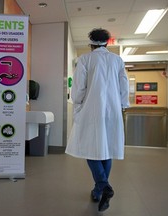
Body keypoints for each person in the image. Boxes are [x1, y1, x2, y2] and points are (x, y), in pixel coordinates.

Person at [65, 28, 130, 212]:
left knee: (90, 148)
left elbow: (78, 88)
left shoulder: (85, 59)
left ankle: (104, 186)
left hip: (92, 110)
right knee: (106, 149)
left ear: (91, 43)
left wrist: (77, 104)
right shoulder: (117, 60)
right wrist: (123, 104)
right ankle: (98, 190)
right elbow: (124, 85)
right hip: (113, 111)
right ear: (108, 42)